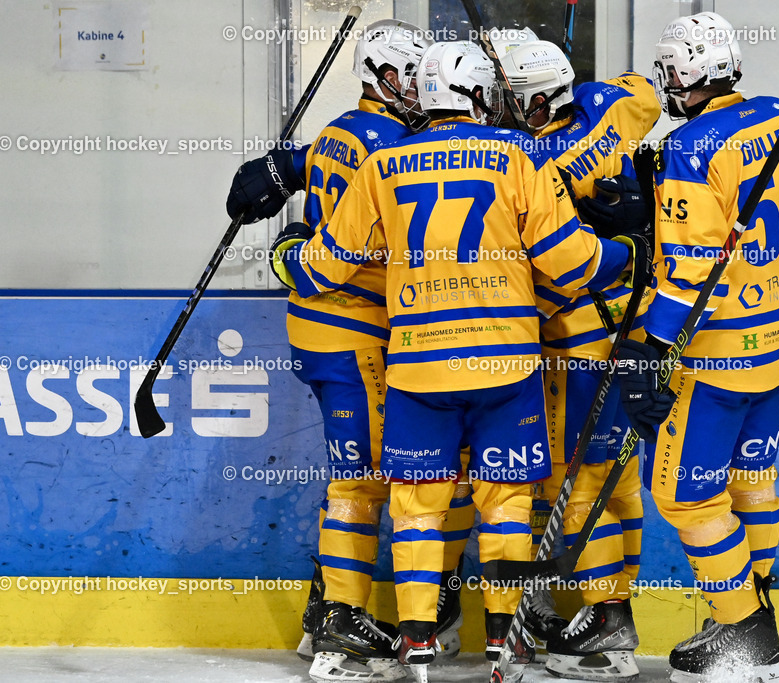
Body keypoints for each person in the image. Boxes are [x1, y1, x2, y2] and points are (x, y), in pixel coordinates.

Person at [268, 39, 642, 683]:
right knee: (505, 501)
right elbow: (575, 263)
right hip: (507, 367)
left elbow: (326, 265)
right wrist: (629, 249)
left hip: (416, 369)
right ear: (478, 97)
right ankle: (505, 640)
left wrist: (287, 256)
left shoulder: (384, 165)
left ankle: (418, 640)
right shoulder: (514, 159)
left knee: (416, 505)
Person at [227, 20, 470, 682]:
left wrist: (282, 166)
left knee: (356, 477)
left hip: (318, 330)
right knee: (364, 483)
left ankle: (324, 612)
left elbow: (311, 164)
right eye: (412, 78)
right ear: (385, 77)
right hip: (356, 331)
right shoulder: (398, 148)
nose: (422, 91)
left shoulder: (341, 129)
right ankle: (342, 630)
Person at [616, 11, 779, 683]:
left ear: (686, 72)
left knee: (683, 493)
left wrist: (651, 347)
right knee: (752, 480)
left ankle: (742, 630)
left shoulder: (688, 148)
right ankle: (750, 606)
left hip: (721, 354)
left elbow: (687, 267)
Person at [495, 36, 661, 681]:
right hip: (639, 320)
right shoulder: (610, 104)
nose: (501, 110)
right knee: (620, 477)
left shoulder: (524, 158)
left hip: (583, 335)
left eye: (511, 99)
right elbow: (645, 92)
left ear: (536, 101)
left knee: (582, 477)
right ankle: (611, 618)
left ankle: (607, 621)